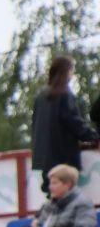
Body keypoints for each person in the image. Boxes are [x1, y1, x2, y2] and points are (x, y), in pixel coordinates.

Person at [33, 57, 100, 195]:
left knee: (53, 194)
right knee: (67, 196)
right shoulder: (64, 94)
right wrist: (93, 136)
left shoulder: (41, 95)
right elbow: (73, 121)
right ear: (67, 72)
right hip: (63, 155)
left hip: (46, 157)